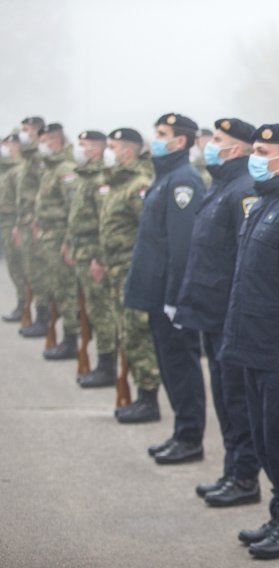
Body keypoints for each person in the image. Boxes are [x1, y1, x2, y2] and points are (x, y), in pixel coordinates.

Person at [219, 124, 279, 559]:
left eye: (262, 151)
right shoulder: (263, 203)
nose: (254, 157)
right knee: (261, 436)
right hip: (250, 341)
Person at [174, 118, 260, 506]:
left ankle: (245, 478)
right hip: (211, 313)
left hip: (228, 314)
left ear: (236, 149)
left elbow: (245, 261)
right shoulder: (221, 185)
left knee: (236, 402)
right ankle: (232, 471)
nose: (209, 145)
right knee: (224, 399)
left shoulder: (243, 190)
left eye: (218, 140)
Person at [125, 113, 206, 461]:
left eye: (162, 134)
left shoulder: (183, 182)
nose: (154, 139)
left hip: (169, 298)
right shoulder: (166, 177)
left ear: (180, 141)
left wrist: (176, 298)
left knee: (181, 367)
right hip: (156, 295)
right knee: (170, 366)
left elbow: (181, 247)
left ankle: (190, 439)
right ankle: (180, 433)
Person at [91, 128, 162, 423]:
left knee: (136, 334)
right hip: (115, 269)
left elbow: (149, 234)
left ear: (128, 151)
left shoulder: (138, 185)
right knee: (125, 332)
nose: (109, 150)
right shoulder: (117, 182)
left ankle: (148, 399)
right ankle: (137, 394)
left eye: (114, 146)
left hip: (131, 271)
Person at [65, 130, 118, 386]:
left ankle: (108, 367)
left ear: (96, 150)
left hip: (94, 254)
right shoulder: (84, 175)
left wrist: (100, 258)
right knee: (90, 309)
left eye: (84, 145)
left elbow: (103, 223)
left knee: (101, 311)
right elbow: (76, 217)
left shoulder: (99, 180)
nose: (79, 149)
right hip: (81, 250)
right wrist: (69, 243)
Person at [35, 123, 80, 361]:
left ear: (55, 141)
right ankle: (67, 337)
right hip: (49, 237)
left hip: (60, 238)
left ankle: (71, 340)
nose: (41, 146)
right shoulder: (51, 168)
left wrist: (68, 242)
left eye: (45, 141)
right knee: (57, 290)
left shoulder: (65, 169)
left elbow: (73, 208)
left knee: (66, 291)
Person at [15, 116, 49, 338]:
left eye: (26, 130)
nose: (23, 134)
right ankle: (38, 315)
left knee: (40, 274)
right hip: (27, 223)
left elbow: (43, 195)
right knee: (31, 273)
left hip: (37, 225)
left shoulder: (40, 158)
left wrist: (38, 223)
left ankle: (44, 318)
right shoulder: (29, 158)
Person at [0, 133, 28, 322]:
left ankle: (25, 306)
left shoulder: (21, 169)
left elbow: (22, 200)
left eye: (9, 144)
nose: (6, 148)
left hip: (15, 223)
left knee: (21, 267)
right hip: (6, 221)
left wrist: (19, 224)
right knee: (14, 266)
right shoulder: (7, 169)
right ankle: (22, 304)